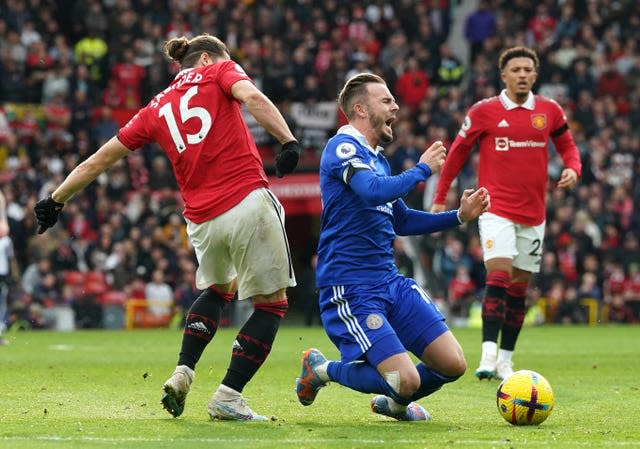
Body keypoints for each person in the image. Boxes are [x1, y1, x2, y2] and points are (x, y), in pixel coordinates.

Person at [34, 34, 302, 421]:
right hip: (246, 200)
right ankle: (228, 395)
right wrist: (287, 140)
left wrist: (55, 199)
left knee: (217, 290)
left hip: (201, 220)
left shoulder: (154, 107)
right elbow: (253, 98)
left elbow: (100, 159)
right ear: (207, 57)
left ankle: (183, 371)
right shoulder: (220, 70)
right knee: (271, 304)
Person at [295, 73, 490, 421]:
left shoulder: (378, 159)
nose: (395, 106)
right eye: (385, 101)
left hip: (390, 281)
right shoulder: (342, 149)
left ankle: (395, 405)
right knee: (405, 379)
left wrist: (458, 216)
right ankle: (321, 370)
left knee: (453, 363)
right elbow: (373, 191)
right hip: (351, 287)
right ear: (359, 108)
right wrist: (421, 170)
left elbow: (400, 221)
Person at [431, 46, 582, 381]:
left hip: (534, 214)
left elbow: (569, 147)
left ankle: (505, 361)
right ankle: (487, 355)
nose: (523, 75)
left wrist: (573, 168)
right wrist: (441, 197)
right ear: (504, 76)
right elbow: (457, 153)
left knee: (518, 290)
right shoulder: (484, 111)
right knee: (497, 276)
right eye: (516, 70)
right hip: (495, 207)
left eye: (528, 69)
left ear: (535, 74)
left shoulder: (549, 110)